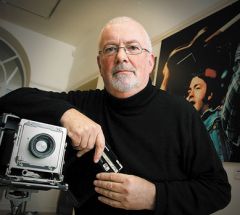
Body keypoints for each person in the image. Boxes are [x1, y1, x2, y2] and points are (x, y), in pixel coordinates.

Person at [0, 16, 231, 215]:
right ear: (100, 65)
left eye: (132, 47)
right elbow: (12, 99)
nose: (121, 56)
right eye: (110, 48)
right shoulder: (81, 103)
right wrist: (67, 113)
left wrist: (154, 196)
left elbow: (218, 191)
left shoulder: (182, 113)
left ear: (150, 62)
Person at [186, 44, 240, 162]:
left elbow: (237, 84)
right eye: (189, 90)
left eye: (197, 88)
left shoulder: (219, 119)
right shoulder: (185, 130)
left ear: (210, 95)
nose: (190, 94)